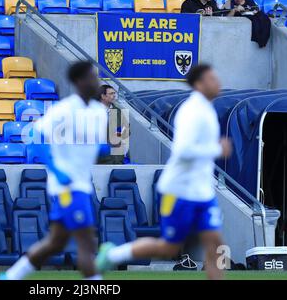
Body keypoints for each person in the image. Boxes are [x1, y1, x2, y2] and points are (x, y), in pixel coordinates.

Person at [95, 64, 233, 280]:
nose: (218, 82)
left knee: (215, 244)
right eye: (211, 78)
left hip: (202, 191)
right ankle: (113, 254)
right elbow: (183, 150)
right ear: (199, 84)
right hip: (179, 191)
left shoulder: (207, 109)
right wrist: (217, 148)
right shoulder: (190, 111)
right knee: (168, 248)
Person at [0, 61, 108, 280]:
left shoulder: (99, 112)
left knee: (56, 242)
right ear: (79, 81)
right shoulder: (64, 109)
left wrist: (102, 148)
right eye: (92, 77)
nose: (97, 81)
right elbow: (35, 138)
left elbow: (93, 146)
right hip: (67, 186)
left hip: (82, 184)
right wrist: (56, 170)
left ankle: (10, 277)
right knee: (87, 241)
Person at [97, 84, 129, 165]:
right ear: (103, 96)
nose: (114, 96)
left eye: (114, 93)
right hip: (99, 157)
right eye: (111, 94)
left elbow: (125, 131)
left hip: (117, 156)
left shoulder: (118, 111)